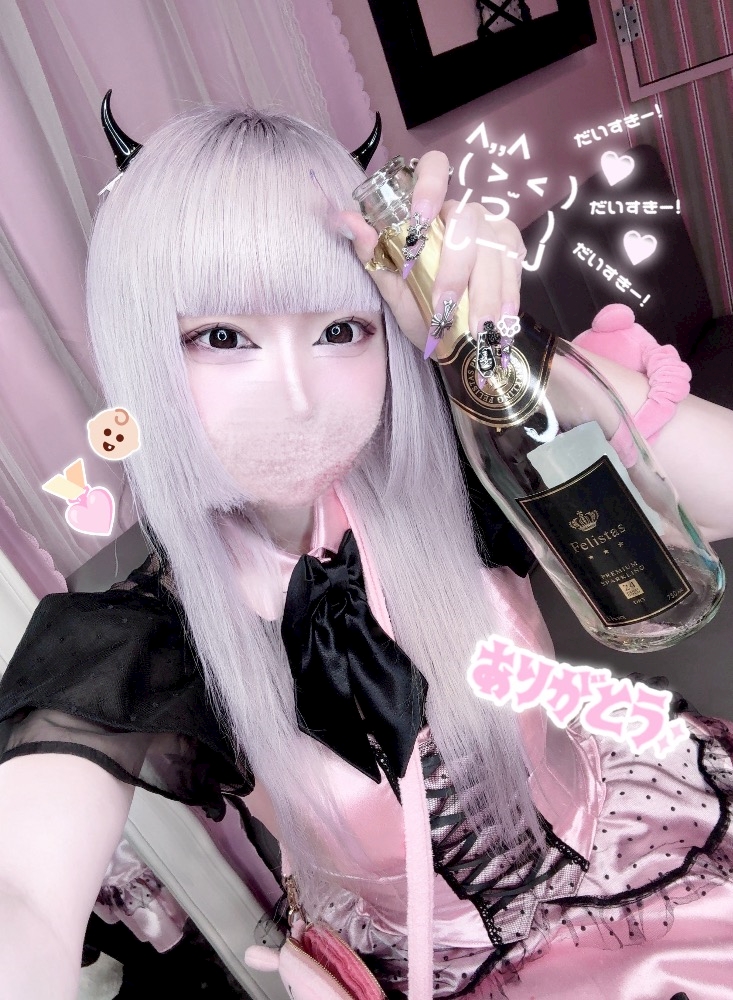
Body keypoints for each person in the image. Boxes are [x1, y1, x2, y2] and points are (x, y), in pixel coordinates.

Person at [0, 105, 732, 1000]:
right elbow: (23, 898)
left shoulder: (458, 476)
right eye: (222, 338)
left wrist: (489, 340)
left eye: (340, 330)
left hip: (650, 849)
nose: (299, 395)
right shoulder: (137, 639)